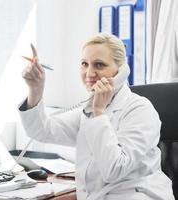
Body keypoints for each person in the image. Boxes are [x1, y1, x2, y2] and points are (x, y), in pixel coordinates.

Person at [18, 33, 175, 200]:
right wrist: (35, 89)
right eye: (84, 64)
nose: (89, 73)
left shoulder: (140, 110)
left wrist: (99, 113)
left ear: (121, 70)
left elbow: (115, 170)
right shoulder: (88, 111)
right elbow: (42, 130)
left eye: (99, 65)